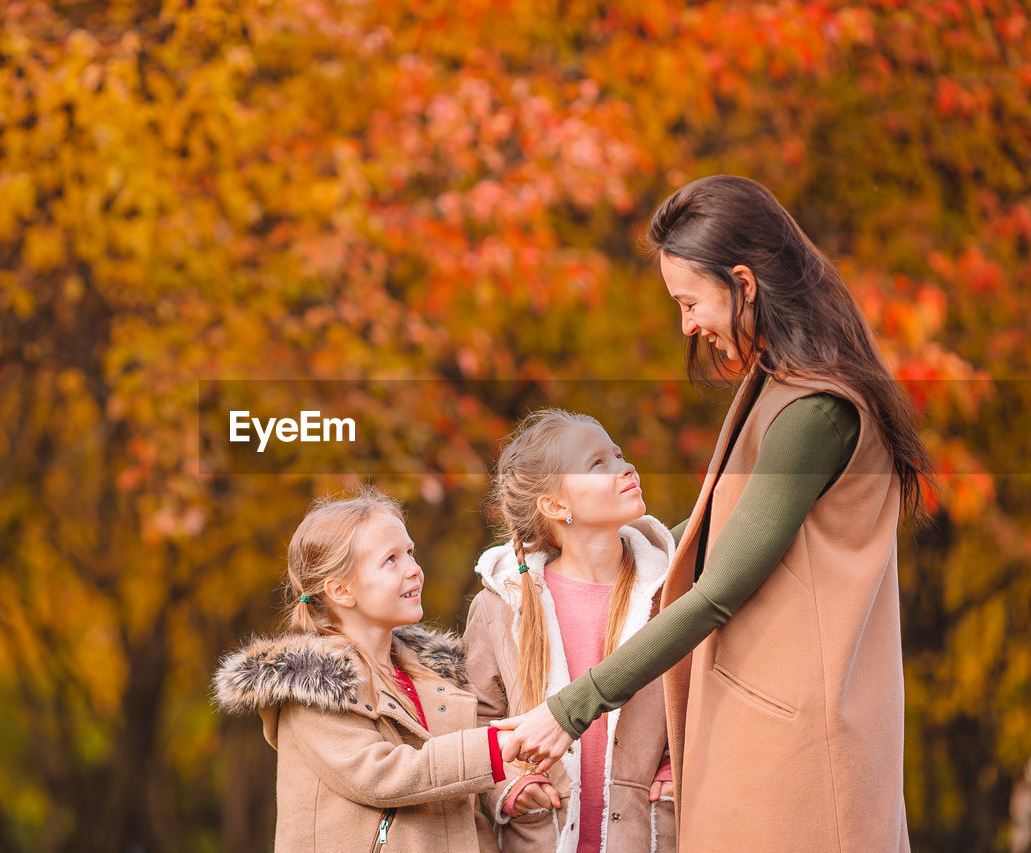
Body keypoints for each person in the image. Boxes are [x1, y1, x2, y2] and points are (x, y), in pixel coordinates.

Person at [492, 175, 929, 852]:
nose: (687, 323)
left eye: (691, 301)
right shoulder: (780, 387)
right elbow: (726, 538)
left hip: (798, 752)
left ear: (745, 284)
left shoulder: (814, 409)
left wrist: (571, 708)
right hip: (763, 733)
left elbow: (719, 589)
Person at [213, 489, 549, 852]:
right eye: (391, 559)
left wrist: (508, 788)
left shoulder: (432, 675)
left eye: (410, 552)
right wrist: (496, 748)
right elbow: (383, 775)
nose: (413, 569)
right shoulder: (314, 688)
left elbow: (457, 770)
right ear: (341, 590)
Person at [463, 409, 676, 852]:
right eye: (598, 463)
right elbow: (474, 722)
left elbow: (703, 701)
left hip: (650, 836)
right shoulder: (499, 606)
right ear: (556, 506)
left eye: (618, 454)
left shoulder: (673, 595)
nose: (625, 466)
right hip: (542, 838)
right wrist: (508, 788)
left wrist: (678, 773)